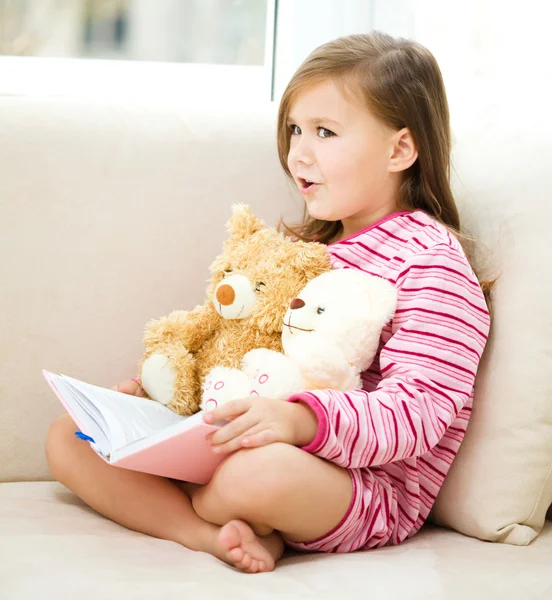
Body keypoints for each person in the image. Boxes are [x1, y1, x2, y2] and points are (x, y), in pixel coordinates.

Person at [45, 31, 492, 574]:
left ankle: (212, 504)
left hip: (358, 486)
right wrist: (167, 405)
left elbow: (417, 413)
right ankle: (206, 534)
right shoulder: (300, 253)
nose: (298, 152)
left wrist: (300, 422)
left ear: (400, 149)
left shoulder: (431, 262)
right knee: (70, 436)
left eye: (325, 132)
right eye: (294, 130)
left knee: (253, 475)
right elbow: (241, 351)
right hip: (245, 436)